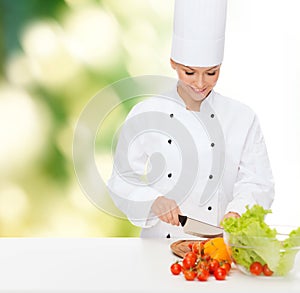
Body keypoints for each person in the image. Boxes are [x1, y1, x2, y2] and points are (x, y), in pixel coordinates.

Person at [107, 0, 274, 238]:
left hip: (217, 247)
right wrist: (152, 201)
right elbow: (121, 179)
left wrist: (238, 211)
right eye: (189, 72)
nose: (199, 83)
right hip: (158, 247)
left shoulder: (242, 118)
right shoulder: (146, 114)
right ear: (173, 64)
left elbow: (259, 182)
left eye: (211, 73)